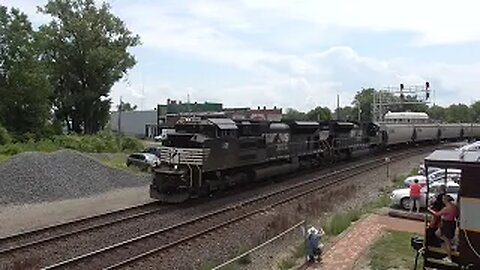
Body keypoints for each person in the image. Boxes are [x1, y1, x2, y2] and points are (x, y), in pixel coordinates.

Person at [429, 195, 458, 263]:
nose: (442, 200)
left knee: (446, 240)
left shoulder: (447, 208)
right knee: (438, 233)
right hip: (451, 223)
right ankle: (449, 247)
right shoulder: (454, 206)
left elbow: (437, 214)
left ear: (445, 200)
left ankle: (449, 257)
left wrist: (430, 210)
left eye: (443, 199)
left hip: (447, 224)